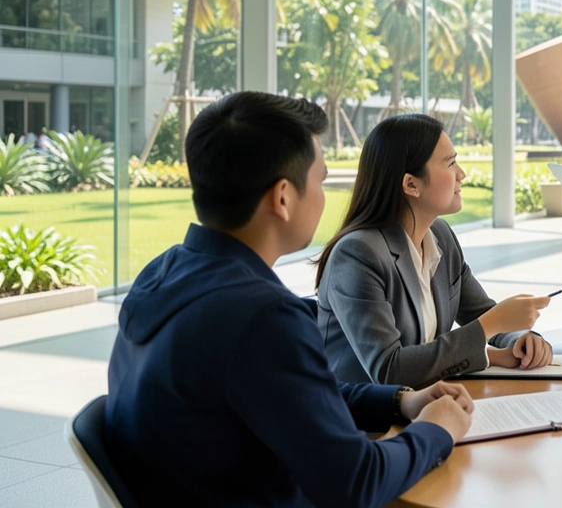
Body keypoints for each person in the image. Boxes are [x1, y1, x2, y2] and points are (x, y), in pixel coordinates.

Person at [105, 92, 474, 507]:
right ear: (282, 198)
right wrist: (436, 430)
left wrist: (399, 401)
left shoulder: (163, 273)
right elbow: (357, 483)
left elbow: (298, 395)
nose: (323, 195)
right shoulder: (261, 317)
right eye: (319, 180)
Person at [316, 113, 554, 386]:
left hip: (429, 404)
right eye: (451, 163)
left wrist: (520, 340)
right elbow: (389, 371)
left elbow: (478, 312)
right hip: (369, 423)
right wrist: (492, 325)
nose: (461, 174)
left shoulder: (441, 236)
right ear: (411, 184)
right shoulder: (358, 255)